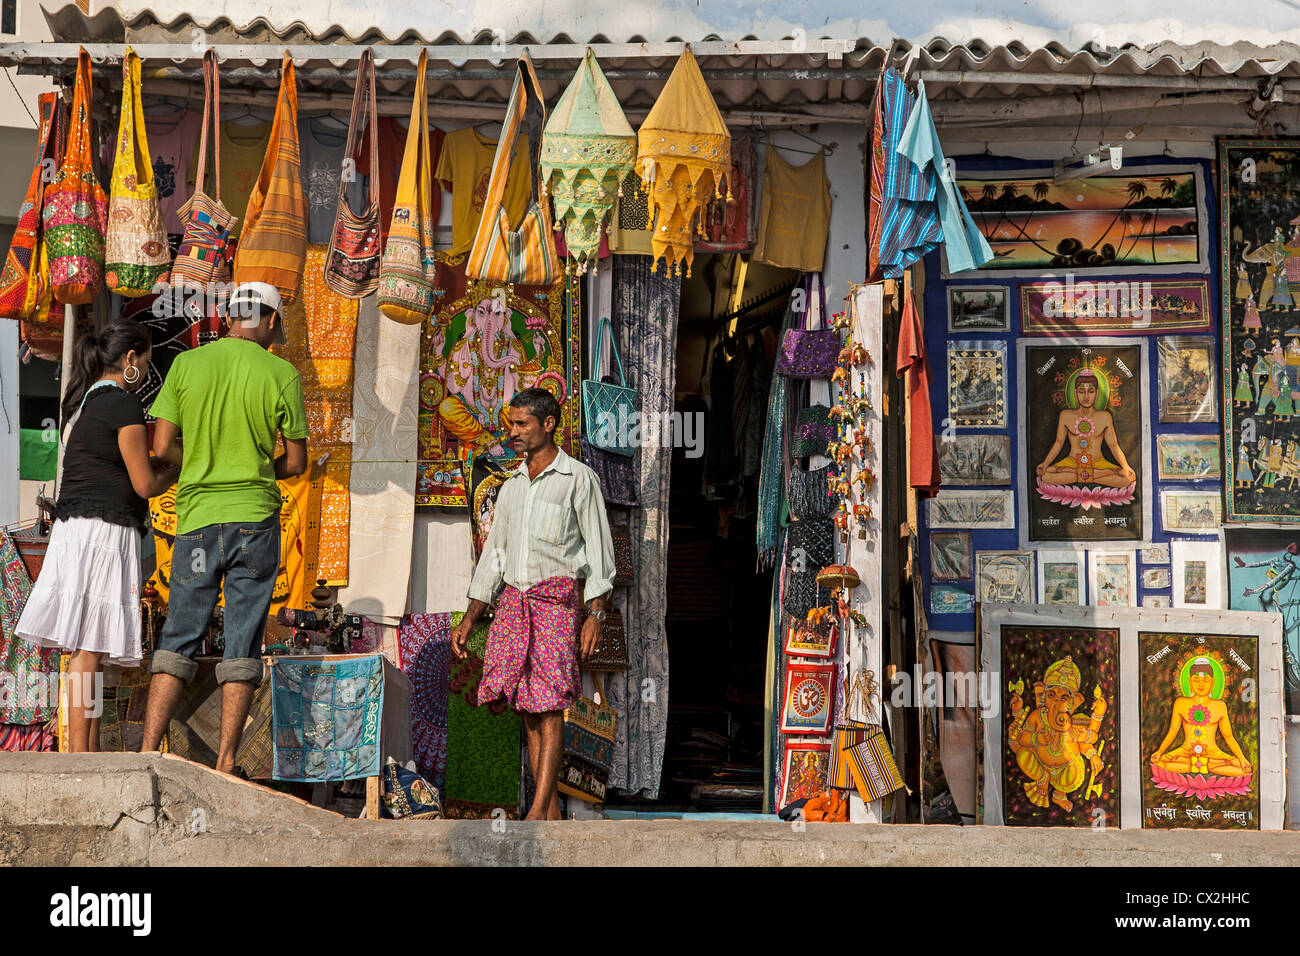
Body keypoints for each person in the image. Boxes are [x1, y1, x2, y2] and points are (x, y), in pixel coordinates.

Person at [141, 283, 309, 774]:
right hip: (255, 523)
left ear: (229, 317)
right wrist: (257, 469)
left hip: (195, 525)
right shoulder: (281, 373)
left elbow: (164, 444)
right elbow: (295, 461)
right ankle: (227, 760)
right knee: (243, 639)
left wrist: (195, 462)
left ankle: (149, 750)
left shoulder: (187, 365)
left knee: (181, 633)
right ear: (272, 321)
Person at [450, 387, 616, 821]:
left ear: (548, 424)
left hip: (557, 604)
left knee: (551, 705)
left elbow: (600, 556)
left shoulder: (578, 479)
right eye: (511, 424)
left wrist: (595, 615)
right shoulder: (510, 489)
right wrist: (470, 617)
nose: (514, 432)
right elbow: (494, 557)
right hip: (513, 606)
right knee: (526, 705)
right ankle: (552, 817)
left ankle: (538, 809)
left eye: (522, 424)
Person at [16, 321, 179, 752]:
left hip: (79, 530)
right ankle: (79, 753)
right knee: (89, 653)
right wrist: (179, 470)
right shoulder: (123, 405)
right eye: (144, 361)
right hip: (102, 533)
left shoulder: (84, 403)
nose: (145, 370)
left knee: (88, 652)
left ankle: (84, 749)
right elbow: (144, 484)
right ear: (130, 360)